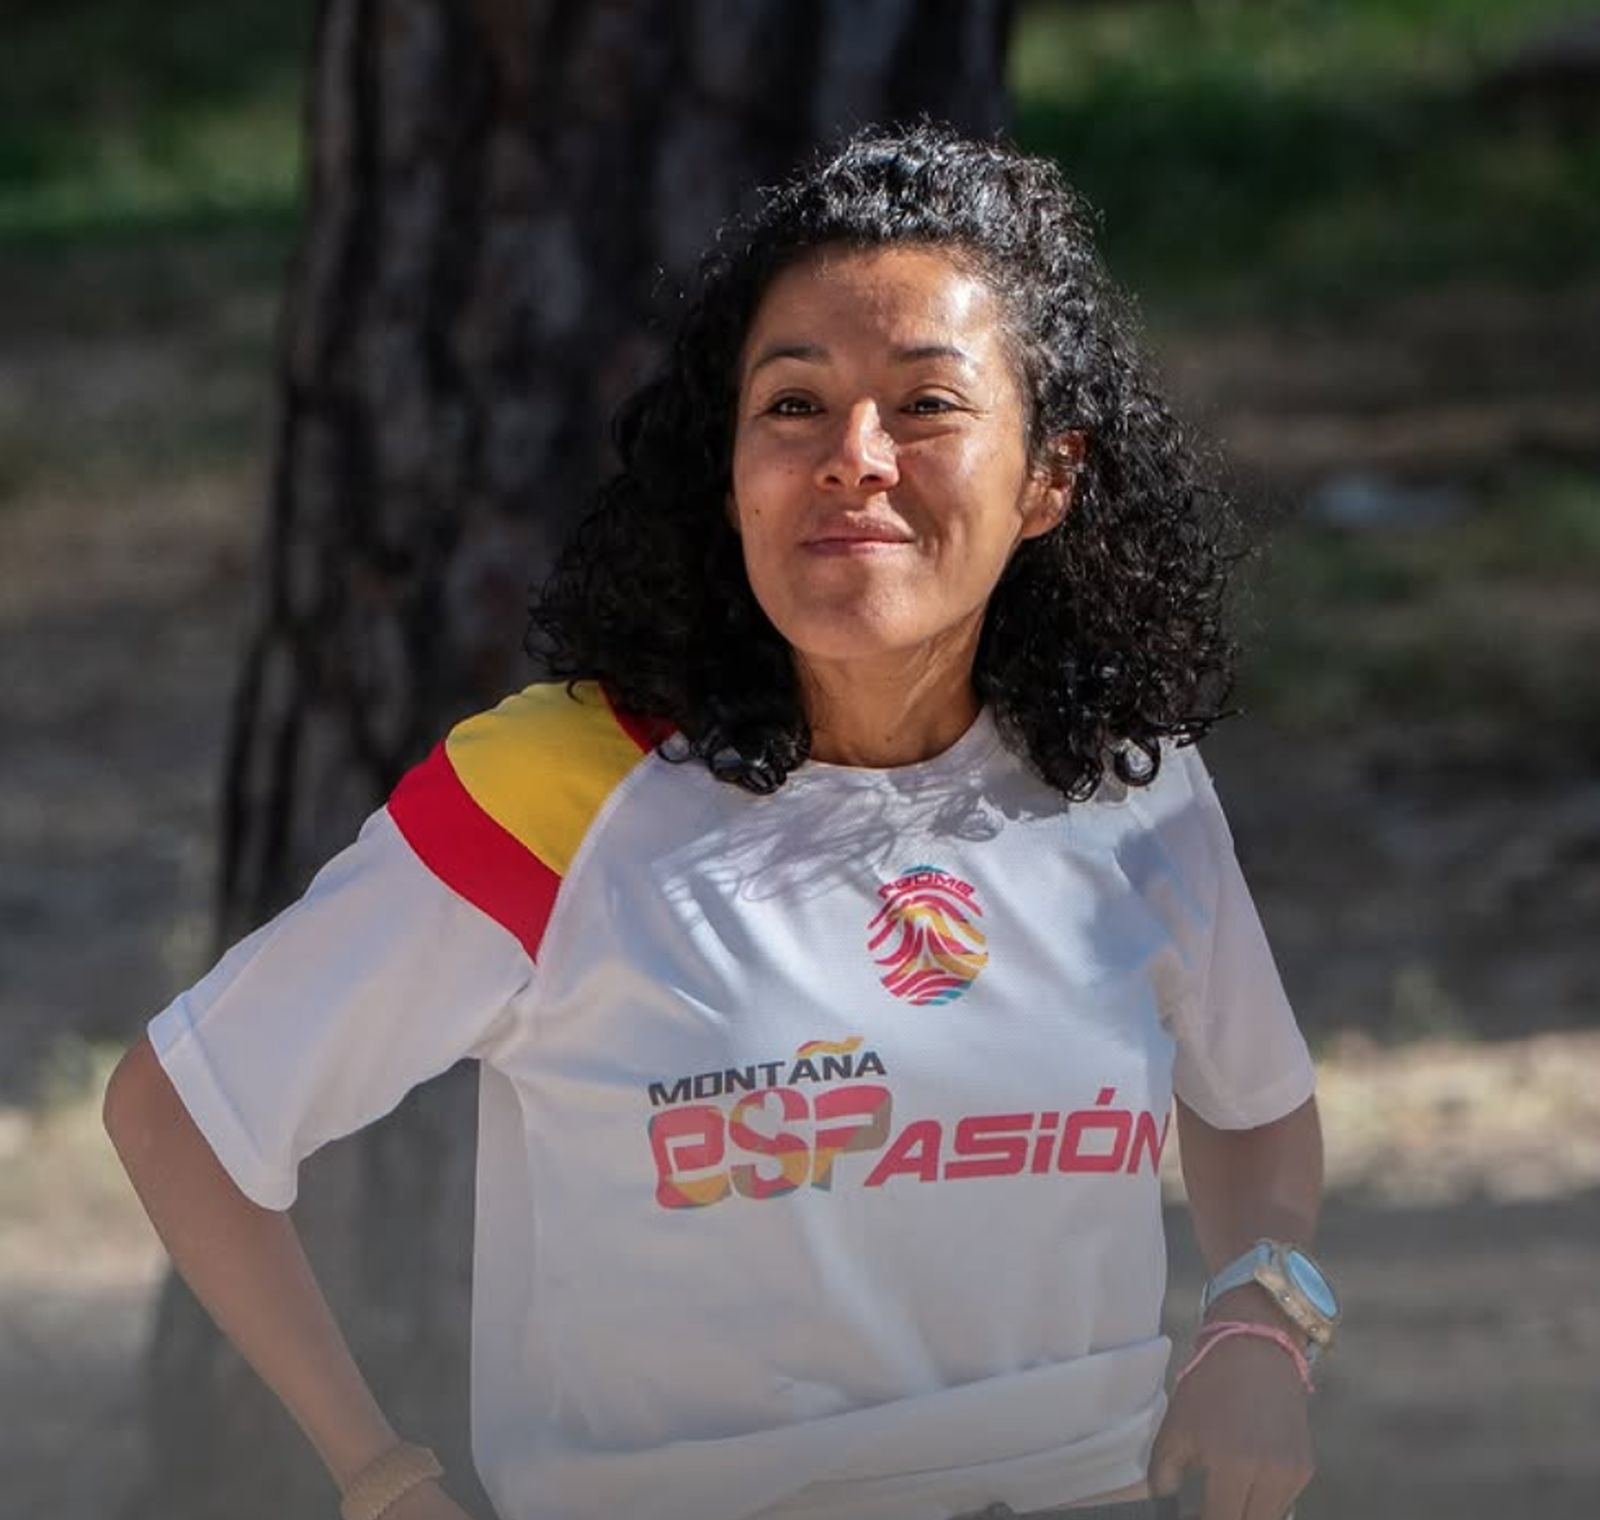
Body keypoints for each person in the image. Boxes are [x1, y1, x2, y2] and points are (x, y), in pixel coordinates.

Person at [104, 125, 1334, 1520]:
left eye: (927, 404)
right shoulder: (557, 791)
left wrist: (1261, 1323)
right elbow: (184, 1111)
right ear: (730, 467)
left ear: (1047, 479)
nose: (853, 458)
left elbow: (1257, 1105)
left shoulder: (1128, 782)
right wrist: (381, 1481)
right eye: (793, 405)